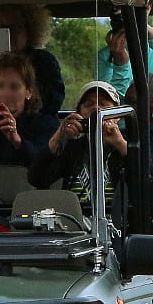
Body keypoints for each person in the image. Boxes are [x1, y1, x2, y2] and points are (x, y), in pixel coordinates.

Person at [29, 80, 128, 217]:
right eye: (89, 104)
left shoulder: (128, 143)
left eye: (103, 104)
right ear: (79, 113)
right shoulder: (72, 147)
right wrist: (58, 137)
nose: (96, 108)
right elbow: (36, 178)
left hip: (118, 226)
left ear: (117, 114)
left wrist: (120, 144)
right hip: (76, 226)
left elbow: (144, 180)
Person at [96, 12, 153, 133]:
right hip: (126, 134)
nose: (122, 18)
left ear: (148, 8)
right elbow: (112, 103)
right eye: (116, 13)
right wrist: (121, 63)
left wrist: (142, 26)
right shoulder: (105, 56)